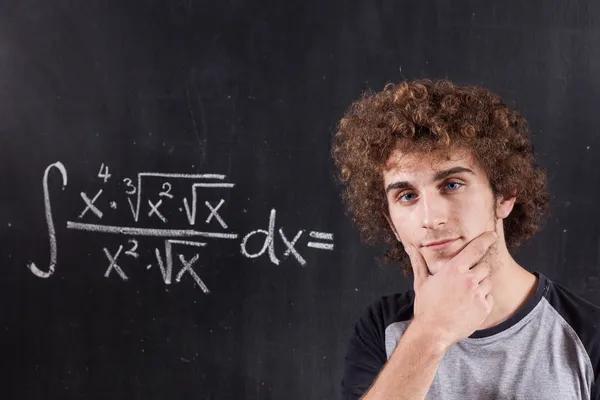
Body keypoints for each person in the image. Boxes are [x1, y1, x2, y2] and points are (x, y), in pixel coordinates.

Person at [331, 79, 600, 399]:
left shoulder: (588, 336)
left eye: (452, 185)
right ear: (390, 222)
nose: (431, 219)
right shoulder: (383, 329)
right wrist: (430, 334)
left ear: (505, 195)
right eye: (406, 195)